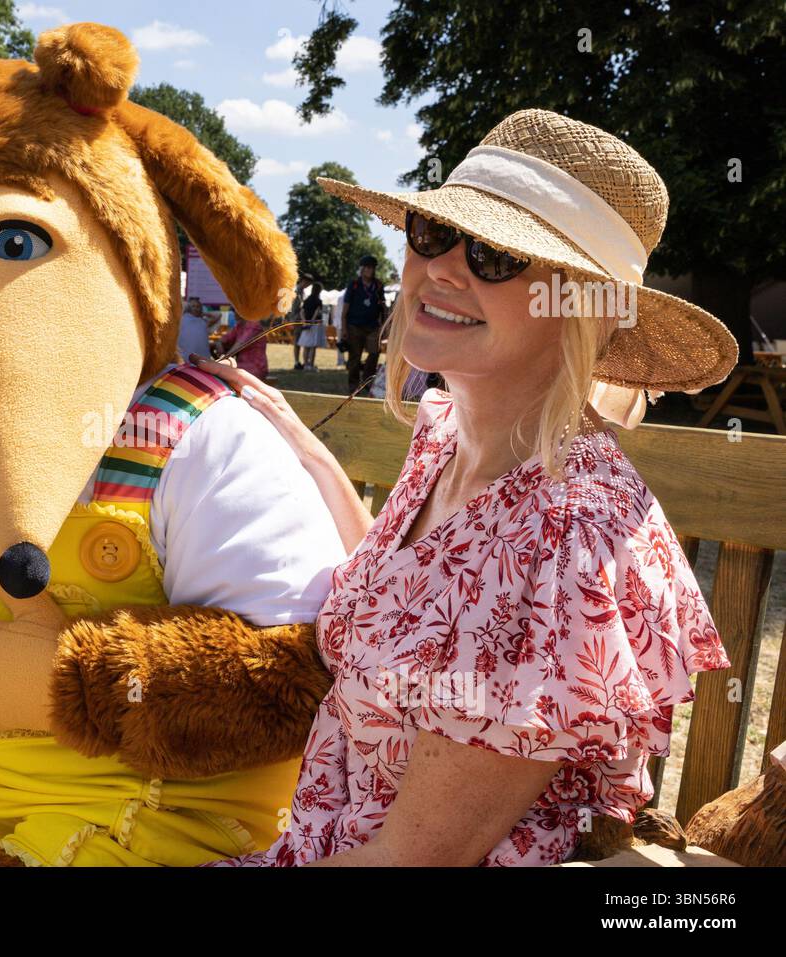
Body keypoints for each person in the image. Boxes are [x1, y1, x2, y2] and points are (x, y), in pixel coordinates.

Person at [195, 109, 737, 866]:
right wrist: (306, 447)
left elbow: (416, 855)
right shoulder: (445, 435)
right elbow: (411, 588)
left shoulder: (567, 536)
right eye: (430, 233)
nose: (442, 268)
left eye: (491, 253)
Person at [340, 254, 386, 394]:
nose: (369, 270)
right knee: (354, 357)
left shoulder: (378, 285)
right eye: (366, 267)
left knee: (374, 354)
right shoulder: (354, 284)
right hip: (354, 326)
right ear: (361, 269)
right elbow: (345, 307)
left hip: (373, 327)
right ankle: (353, 386)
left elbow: (383, 307)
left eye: (371, 268)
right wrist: (343, 328)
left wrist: (384, 325)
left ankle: (366, 381)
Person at [216, 313, 269, 380]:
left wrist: (223, 360)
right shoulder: (239, 325)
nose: (234, 313)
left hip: (256, 368)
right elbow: (225, 339)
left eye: (236, 310)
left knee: (219, 370)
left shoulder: (253, 325)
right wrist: (219, 343)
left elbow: (239, 346)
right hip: (241, 366)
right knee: (219, 370)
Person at [296, 280, 325, 370]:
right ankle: (311, 364)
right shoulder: (319, 301)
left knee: (306, 345)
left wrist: (304, 320)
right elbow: (317, 311)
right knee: (313, 346)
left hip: (305, 324)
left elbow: (302, 311)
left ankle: (305, 364)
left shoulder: (307, 300)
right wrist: (312, 320)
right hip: (314, 324)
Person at [175, 295, 212, 361]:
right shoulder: (181, 320)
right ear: (188, 309)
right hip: (186, 361)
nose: (195, 308)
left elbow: (218, 316)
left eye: (198, 307)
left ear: (201, 309)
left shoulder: (203, 321)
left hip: (202, 362)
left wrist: (203, 314)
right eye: (193, 306)